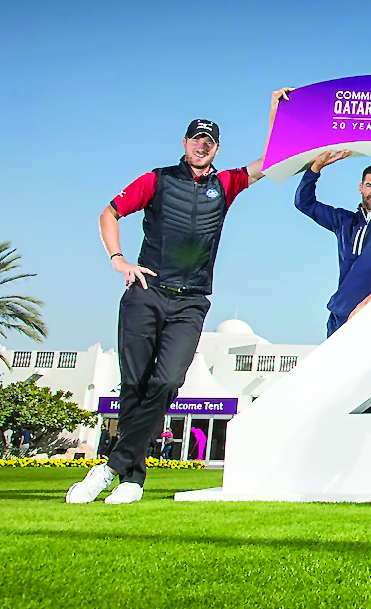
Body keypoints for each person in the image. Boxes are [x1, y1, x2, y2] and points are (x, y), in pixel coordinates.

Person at [66, 89, 291, 505]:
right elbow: (109, 213)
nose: (202, 145)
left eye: (209, 141)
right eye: (195, 139)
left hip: (191, 301)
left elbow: (271, 162)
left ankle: (110, 468)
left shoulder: (227, 183)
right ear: (185, 144)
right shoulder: (157, 179)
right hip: (146, 292)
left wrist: (276, 111)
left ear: (216, 148)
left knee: (168, 380)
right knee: (134, 384)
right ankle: (133, 479)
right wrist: (118, 259)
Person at [294, 151, 371, 336]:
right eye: (370, 186)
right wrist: (315, 168)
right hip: (341, 314)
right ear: (361, 187)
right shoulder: (344, 221)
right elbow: (303, 203)